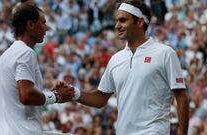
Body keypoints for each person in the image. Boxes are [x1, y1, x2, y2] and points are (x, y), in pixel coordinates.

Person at [65, 0, 189, 135]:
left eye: (123, 20)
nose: (117, 25)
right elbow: (100, 98)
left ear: (140, 22)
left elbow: (181, 97)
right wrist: (73, 93)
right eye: (117, 21)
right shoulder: (115, 59)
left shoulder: (165, 53)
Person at [0, 3, 75, 135]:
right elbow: (26, 96)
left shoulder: (5, 56)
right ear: (30, 25)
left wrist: (51, 93)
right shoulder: (25, 53)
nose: (47, 28)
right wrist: (56, 96)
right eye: (43, 23)